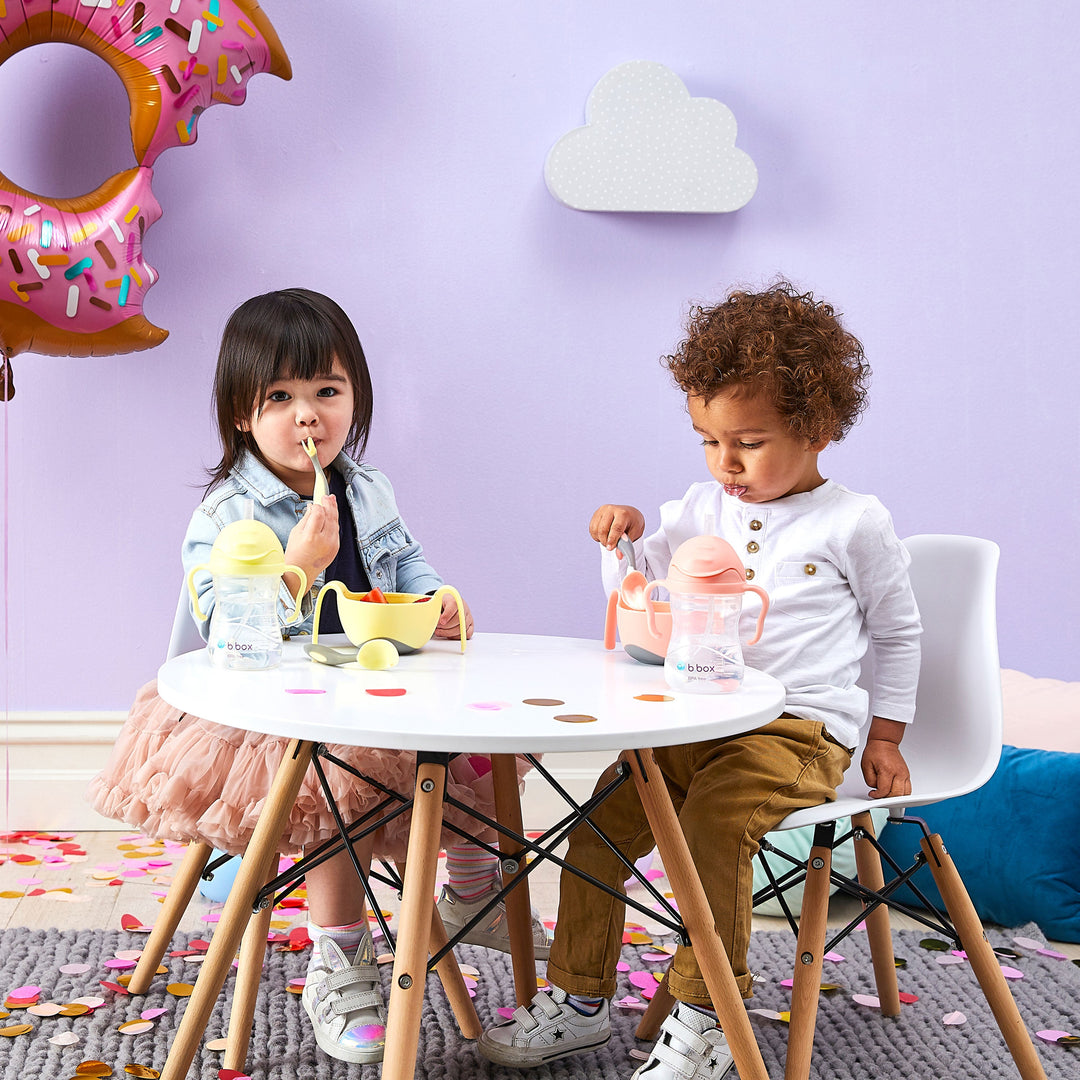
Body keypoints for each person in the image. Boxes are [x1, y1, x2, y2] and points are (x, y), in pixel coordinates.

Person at [87, 288, 548, 1066]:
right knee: (337, 781)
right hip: (260, 719)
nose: (308, 414)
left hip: (373, 691)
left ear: (354, 398)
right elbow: (229, 636)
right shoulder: (229, 514)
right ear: (242, 414)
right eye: (280, 397)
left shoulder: (368, 489)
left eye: (327, 391)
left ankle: (473, 893)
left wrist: (436, 602)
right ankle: (340, 957)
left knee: (483, 738)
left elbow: (409, 565)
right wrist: (296, 568)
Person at [478, 281, 921, 1080]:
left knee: (718, 824)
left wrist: (885, 737)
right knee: (601, 824)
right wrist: (623, 540)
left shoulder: (854, 523)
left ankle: (708, 1016)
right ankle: (579, 998)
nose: (726, 463)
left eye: (748, 442)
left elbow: (898, 633)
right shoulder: (698, 508)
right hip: (695, 719)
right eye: (708, 440)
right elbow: (645, 593)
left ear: (818, 429)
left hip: (797, 729)